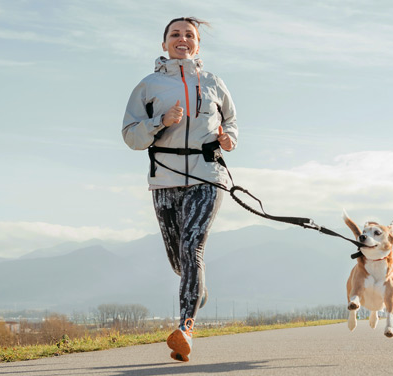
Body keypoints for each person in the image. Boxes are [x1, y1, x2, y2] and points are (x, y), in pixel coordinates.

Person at [122, 16, 238, 362]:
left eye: (189, 35)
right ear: (164, 44)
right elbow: (130, 136)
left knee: (192, 247)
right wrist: (161, 121)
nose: (182, 39)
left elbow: (230, 121)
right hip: (165, 179)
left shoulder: (215, 82)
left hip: (207, 177)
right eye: (175, 34)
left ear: (198, 44)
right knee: (180, 259)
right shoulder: (148, 86)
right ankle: (196, 285)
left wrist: (229, 139)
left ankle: (185, 328)